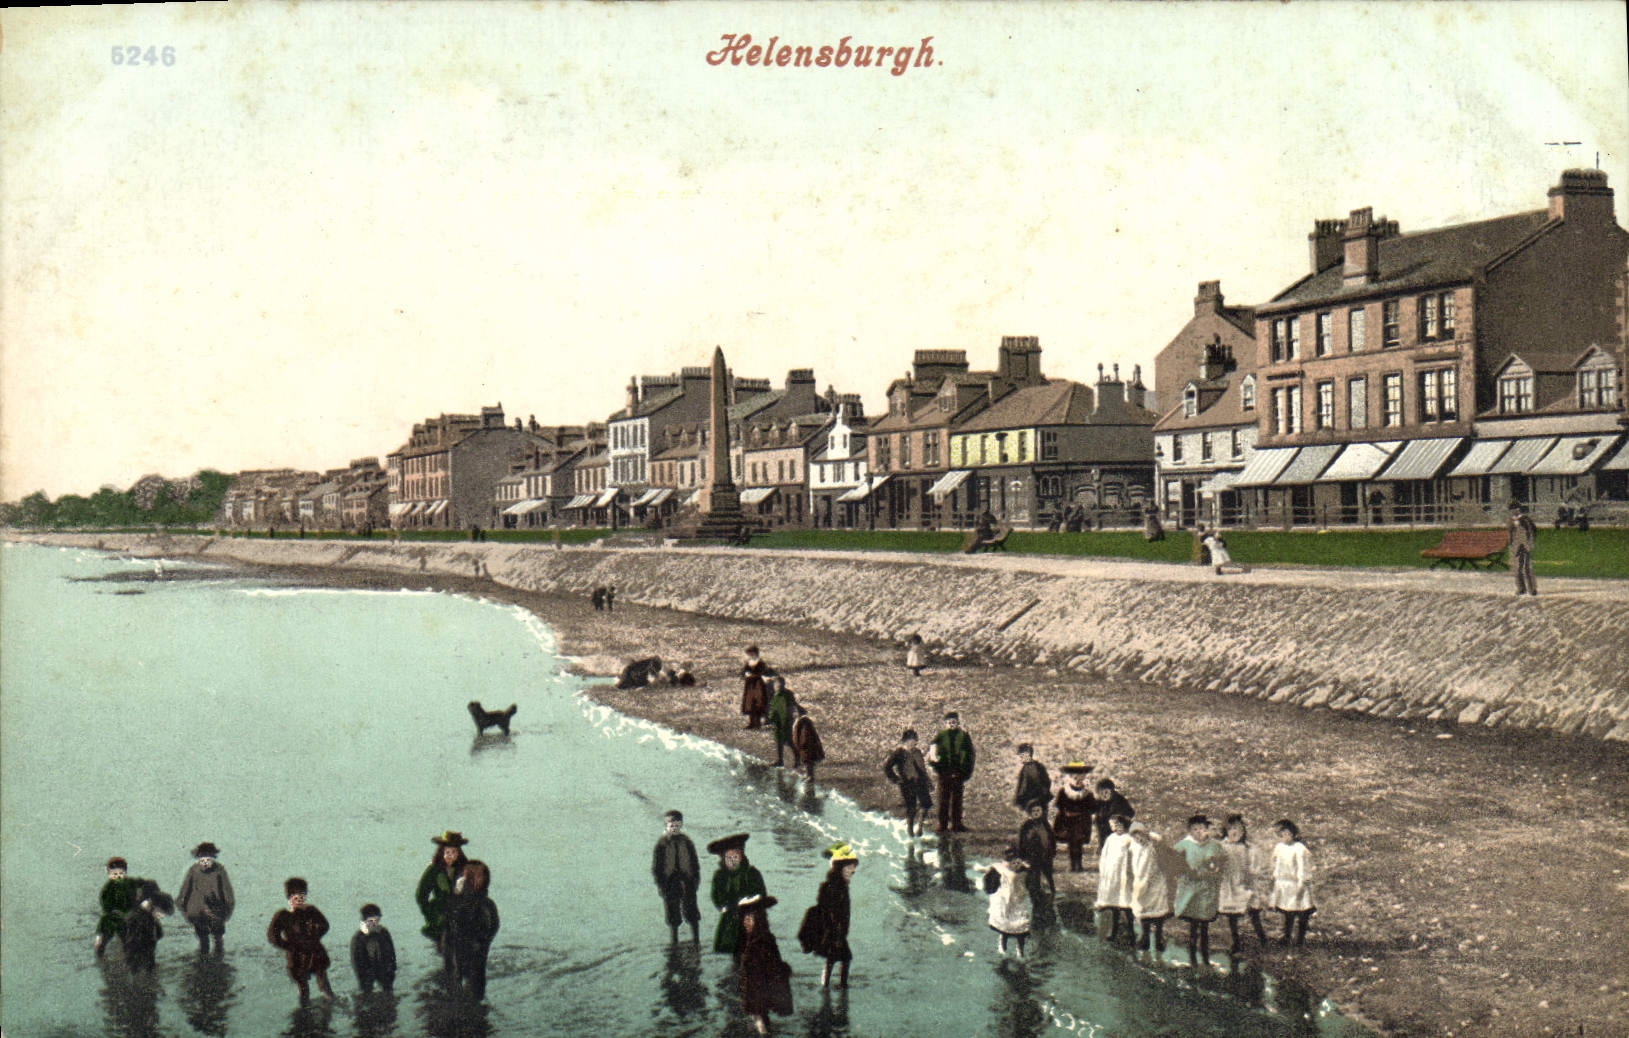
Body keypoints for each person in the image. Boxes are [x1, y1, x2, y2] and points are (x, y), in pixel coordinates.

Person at [796, 842, 858, 988]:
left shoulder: (837, 884)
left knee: (835, 958)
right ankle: (838, 985)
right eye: (849, 867)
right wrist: (837, 931)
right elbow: (833, 911)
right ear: (840, 868)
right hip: (834, 931)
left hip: (835, 930)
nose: (853, 871)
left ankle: (829, 985)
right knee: (843, 957)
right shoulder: (836, 886)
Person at [266, 877, 334, 1005]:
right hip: (297, 955)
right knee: (303, 987)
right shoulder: (282, 916)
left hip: (315, 952)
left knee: (323, 981)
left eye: (302, 898)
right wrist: (288, 946)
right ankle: (304, 1010)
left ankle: (330, 1002)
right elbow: (272, 936)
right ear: (289, 898)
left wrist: (314, 937)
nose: (299, 901)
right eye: (296, 898)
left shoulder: (310, 910)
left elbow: (325, 925)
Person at [737, 894, 794, 1035]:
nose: (745, 922)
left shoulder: (757, 939)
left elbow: (754, 963)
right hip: (765, 982)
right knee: (761, 1014)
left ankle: (765, 1034)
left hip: (757, 984)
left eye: (748, 919)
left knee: (757, 1015)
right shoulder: (765, 936)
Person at [1173, 814, 1224, 968]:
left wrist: (1215, 868)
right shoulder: (1184, 845)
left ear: (1207, 830)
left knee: (1205, 923)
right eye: (1195, 829)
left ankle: (1205, 955)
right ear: (1190, 831)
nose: (1199, 832)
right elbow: (1175, 861)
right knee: (1194, 923)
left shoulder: (1213, 845)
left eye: (1202, 829)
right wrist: (1186, 871)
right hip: (1191, 888)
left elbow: (1220, 862)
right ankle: (1192, 955)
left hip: (1207, 889)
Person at [445, 861, 500, 1001]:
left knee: (464, 990)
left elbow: (454, 922)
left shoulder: (478, 904)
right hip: (474, 957)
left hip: (467, 957)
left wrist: (457, 894)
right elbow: (493, 927)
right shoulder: (488, 904)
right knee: (474, 989)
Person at [707, 833, 768, 957]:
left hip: (751, 916)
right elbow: (716, 895)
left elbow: (761, 893)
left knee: (753, 947)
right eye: (728, 858)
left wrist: (751, 904)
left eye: (735, 857)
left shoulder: (751, 872)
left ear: (742, 856)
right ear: (723, 859)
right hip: (731, 917)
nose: (732, 861)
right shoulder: (720, 876)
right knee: (735, 948)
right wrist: (724, 905)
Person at [1217, 815, 1270, 952]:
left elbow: (1255, 867)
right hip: (1230, 885)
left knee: (1254, 912)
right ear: (1226, 831)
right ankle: (1235, 943)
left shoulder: (1249, 848)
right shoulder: (1221, 847)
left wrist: (1250, 876)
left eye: (1237, 829)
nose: (1234, 832)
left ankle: (1263, 939)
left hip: (1246, 884)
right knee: (1231, 915)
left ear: (1243, 831)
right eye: (1231, 829)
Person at [652, 810, 702, 944]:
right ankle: (674, 941)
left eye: (677, 825)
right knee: (673, 913)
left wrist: (696, 879)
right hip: (670, 882)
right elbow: (657, 868)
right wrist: (661, 885)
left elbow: (695, 862)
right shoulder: (661, 844)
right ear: (666, 826)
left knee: (692, 911)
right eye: (671, 826)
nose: (674, 828)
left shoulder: (687, 842)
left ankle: (696, 939)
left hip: (687, 880)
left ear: (681, 825)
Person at [416, 830, 469, 955]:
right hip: (441, 915)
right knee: (445, 951)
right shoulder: (434, 870)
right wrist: (429, 913)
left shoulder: (465, 868)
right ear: (442, 853)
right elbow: (421, 895)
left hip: (461, 913)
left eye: (454, 852)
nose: (450, 856)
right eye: (447, 852)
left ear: (459, 853)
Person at [177, 841, 235, 956]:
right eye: (202, 860)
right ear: (198, 859)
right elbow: (183, 894)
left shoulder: (219, 871)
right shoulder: (193, 871)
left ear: (213, 859)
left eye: (208, 860)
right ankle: (204, 965)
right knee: (203, 941)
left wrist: (226, 914)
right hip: (197, 912)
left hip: (216, 911)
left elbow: (228, 894)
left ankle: (217, 963)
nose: (204, 863)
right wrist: (186, 913)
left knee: (218, 940)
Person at [1129, 823, 1172, 957]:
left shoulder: (1153, 846)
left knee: (1158, 913)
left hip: (1155, 882)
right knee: (1143, 912)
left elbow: (1162, 855)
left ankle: (1159, 939)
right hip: (1141, 882)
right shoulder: (1134, 846)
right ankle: (1145, 938)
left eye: (1140, 835)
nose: (1138, 839)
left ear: (1145, 834)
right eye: (1135, 836)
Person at [929, 710, 976, 834]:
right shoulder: (940, 736)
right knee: (943, 799)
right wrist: (937, 767)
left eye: (954, 721)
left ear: (958, 722)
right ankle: (942, 825)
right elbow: (932, 753)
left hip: (959, 772)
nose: (951, 724)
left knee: (957, 799)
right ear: (945, 723)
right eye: (949, 722)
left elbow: (970, 754)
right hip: (944, 772)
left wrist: (966, 771)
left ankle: (957, 824)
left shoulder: (964, 736)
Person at [1270, 820, 1315, 947]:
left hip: (1297, 883)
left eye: (1288, 834)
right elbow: (1276, 861)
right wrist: (1275, 875)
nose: (1285, 837)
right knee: (1287, 911)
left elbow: (1302, 866)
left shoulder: (1299, 848)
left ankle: (1300, 939)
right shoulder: (1279, 847)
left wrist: (1301, 881)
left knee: (1302, 911)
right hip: (1284, 883)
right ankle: (1286, 936)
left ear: (1293, 834)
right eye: (1282, 835)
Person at [882, 729, 934, 838]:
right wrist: (896, 779)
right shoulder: (899, 753)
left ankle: (919, 827)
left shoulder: (917, 752)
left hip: (920, 782)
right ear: (906, 741)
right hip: (907, 783)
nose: (915, 742)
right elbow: (887, 767)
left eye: (915, 740)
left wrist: (928, 782)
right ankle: (910, 829)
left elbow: (922, 769)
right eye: (912, 740)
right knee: (912, 807)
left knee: (926, 803)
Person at [983, 845, 1031, 959]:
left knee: (1021, 925)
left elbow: (1030, 871)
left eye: (1013, 856)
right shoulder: (1000, 868)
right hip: (1006, 900)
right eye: (1009, 856)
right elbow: (988, 875)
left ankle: (1020, 951)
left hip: (1018, 899)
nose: (1013, 861)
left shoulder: (1024, 868)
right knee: (1006, 924)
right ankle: (1002, 946)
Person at [1094, 814, 1135, 943]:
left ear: (1120, 824)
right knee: (1114, 906)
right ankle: (1114, 932)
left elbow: (1133, 857)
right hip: (1112, 875)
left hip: (1124, 875)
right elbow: (1105, 855)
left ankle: (1131, 933)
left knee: (1126, 905)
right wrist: (1104, 871)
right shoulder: (1111, 839)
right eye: (1111, 824)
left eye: (1113, 824)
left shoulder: (1129, 839)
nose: (1112, 826)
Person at [1017, 801, 1056, 929]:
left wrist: (1052, 853)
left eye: (1038, 811)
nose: (1036, 813)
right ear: (1029, 813)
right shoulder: (1026, 827)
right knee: (1034, 888)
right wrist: (1023, 859)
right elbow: (1021, 844)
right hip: (1032, 861)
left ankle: (1049, 914)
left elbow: (1051, 840)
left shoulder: (1046, 824)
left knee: (1049, 886)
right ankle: (1037, 917)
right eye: (1034, 812)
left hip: (1046, 861)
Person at [95, 857, 145, 958]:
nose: (118, 877)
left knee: (128, 940)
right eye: (114, 874)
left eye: (121, 874)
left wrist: (139, 901)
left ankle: (129, 957)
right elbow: (105, 903)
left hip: (126, 917)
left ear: (125, 873)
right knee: (101, 940)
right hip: (111, 918)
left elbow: (138, 894)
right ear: (109, 874)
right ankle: (99, 956)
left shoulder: (130, 884)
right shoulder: (108, 889)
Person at [1052, 762, 1097, 873]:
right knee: (1072, 843)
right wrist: (1065, 813)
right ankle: (1073, 864)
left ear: (1084, 778)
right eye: (1075, 777)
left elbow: (1092, 807)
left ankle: (1079, 865)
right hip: (1068, 821)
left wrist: (1086, 812)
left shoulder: (1087, 793)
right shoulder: (1064, 791)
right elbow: (1060, 805)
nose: (1078, 780)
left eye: (1081, 778)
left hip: (1081, 822)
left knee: (1079, 843)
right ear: (1070, 778)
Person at [122, 880, 174, 975]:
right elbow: (129, 942)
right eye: (161, 913)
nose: (162, 917)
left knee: (149, 965)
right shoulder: (134, 918)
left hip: (149, 946)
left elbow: (158, 932)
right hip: (136, 951)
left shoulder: (150, 910)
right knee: (136, 969)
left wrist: (158, 933)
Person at [350, 903, 397, 994]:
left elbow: (391, 954)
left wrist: (391, 970)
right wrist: (364, 978)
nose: (374, 923)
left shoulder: (384, 933)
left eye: (377, 920)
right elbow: (357, 962)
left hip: (383, 968)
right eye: (371, 921)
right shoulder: (358, 938)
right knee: (366, 992)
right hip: (366, 970)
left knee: (388, 990)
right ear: (364, 921)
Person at [765, 676, 801, 768]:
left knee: (788, 741)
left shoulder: (787, 694)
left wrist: (793, 715)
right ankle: (780, 760)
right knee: (779, 741)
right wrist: (770, 718)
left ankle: (798, 759)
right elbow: (773, 708)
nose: (778, 686)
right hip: (778, 722)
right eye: (776, 685)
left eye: (780, 684)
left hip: (786, 721)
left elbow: (792, 706)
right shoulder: (775, 695)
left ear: (783, 684)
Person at [1092, 778, 1136, 851]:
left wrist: (1121, 816)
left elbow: (1131, 813)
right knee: (1098, 819)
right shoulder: (1099, 801)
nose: (1104, 795)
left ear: (1112, 791)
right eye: (1101, 793)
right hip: (1106, 826)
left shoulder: (1119, 799)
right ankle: (1102, 846)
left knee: (1113, 820)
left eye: (1106, 792)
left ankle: (1118, 845)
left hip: (1119, 825)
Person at [1509, 501, 1537, 596]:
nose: (1514, 511)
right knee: (1517, 568)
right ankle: (1521, 588)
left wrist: (1529, 543)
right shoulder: (1511, 521)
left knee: (1527, 567)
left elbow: (1531, 531)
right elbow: (1511, 534)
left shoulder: (1525, 520)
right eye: (1512, 509)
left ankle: (1532, 588)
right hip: (1516, 546)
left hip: (1524, 545)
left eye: (1515, 509)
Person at [1013, 743, 1050, 814]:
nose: (1020, 759)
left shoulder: (1035, 767)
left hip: (1036, 800)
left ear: (1028, 754)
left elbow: (1044, 782)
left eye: (1022, 756)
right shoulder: (1026, 768)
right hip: (1032, 800)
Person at [791, 708, 825, 782]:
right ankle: (808, 775)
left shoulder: (803, 722)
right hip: (804, 744)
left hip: (807, 745)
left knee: (809, 761)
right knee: (806, 761)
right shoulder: (801, 721)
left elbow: (804, 734)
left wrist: (803, 743)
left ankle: (810, 776)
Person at [741, 646, 769, 730]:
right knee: (749, 703)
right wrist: (745, 674)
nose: (750, 655)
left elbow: (763, 673)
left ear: (755, 653)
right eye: (749, 654)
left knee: (757, 702)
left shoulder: (760, 663)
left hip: (758, 685)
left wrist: (752, 675)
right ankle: (751, 723)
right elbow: (743, 672)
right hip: (749, 685)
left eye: (751, 653)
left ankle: (757, 724)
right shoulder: (749, 662)